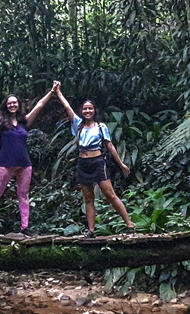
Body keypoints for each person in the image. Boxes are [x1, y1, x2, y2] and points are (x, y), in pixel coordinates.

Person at [53, 82, 135, 237]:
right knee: (88, 197)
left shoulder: (101, 127)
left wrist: (121, 164)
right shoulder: (78, 125)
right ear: (82, 111)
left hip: (98, 162)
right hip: (83, 163)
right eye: (85, 108)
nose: (87, 111)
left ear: (94, 111)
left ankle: (130, 224)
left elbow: (109, 146)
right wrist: (58, 92)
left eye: (90, 108)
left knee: (109, 194)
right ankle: (91, 230)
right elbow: (67, 108)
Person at [0, 83, 57, 236]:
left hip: (24, 163)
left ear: (18, 105)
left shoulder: (23, 122)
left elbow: (39, 106)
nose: (12, 105)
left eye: (15, 102)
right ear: (6, 106)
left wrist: (52, 92)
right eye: (9, 103)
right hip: (5, 163)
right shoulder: (0, 123)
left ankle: (25, 227)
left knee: (23, 194)